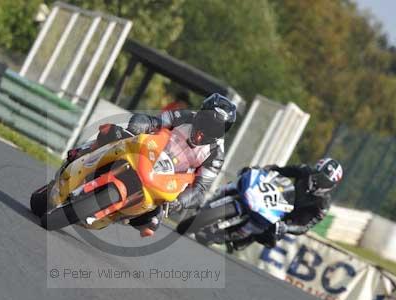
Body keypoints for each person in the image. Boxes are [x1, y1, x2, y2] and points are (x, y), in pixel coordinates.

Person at [64, 93, 243, 237]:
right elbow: (155, 121)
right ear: (201, 113)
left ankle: (118, 214)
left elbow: (200, 188)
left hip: (166, 178)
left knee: (151, 225)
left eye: (215, 128)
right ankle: (83, 151)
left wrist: (178, 203)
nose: (206, 130)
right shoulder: (185, 116)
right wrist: (139, 126)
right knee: (114, 132)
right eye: (206, 121)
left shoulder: (216, 155)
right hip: (148, 152)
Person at [221, 158, 343, 249]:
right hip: (277, 198)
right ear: (315, 170)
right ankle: (220, 195)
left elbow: (306, 226)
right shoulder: (304, 171)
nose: (320, 182)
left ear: (331, 186)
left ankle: (242, 235)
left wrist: (287, 227)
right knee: (245, 182)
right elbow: (281, 170)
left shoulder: (323, 205)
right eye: (319, 176)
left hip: (286, 219)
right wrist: (262, 170)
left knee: (265, 237)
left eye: (325, 182)